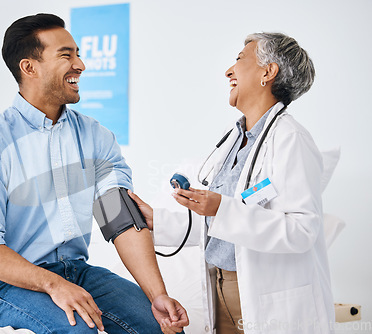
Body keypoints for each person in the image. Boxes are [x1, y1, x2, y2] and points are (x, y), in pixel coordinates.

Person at [0, 13, 188, 334]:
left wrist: (157, 295)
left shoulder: (97, 137)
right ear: (29, 67)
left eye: (78, 53)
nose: (80, 64)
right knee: (81, 329)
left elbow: (121, 220)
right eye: (66, 55)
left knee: (159, 327)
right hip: (3, 286)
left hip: (76, 272)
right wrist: (54, 285)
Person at [129, 32, 335, 334]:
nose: (229, 71)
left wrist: (221, 208)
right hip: (221, 286)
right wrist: (157, 221)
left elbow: (302, 230)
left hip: (265, 294)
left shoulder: (291, 139)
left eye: (239, 60)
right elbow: (220, 221)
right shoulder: (234, 141)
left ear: (268, 72)